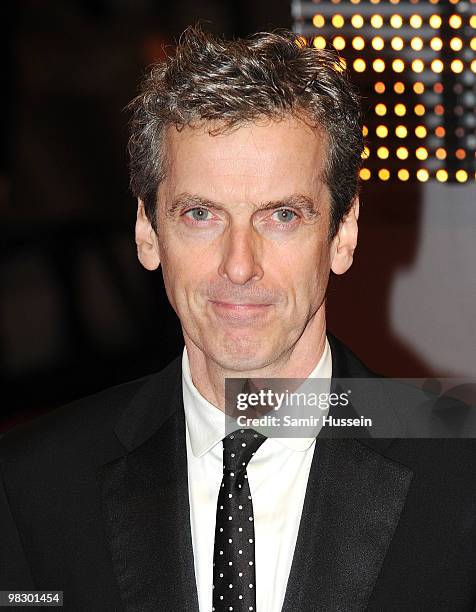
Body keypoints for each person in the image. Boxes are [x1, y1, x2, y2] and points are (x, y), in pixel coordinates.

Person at [1, 26, 475, 612]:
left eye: (281, 216)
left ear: (343, 234)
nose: (240, 265)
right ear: (148, 233)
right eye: (201, 214)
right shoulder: (32, 487)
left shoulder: (462, 477)